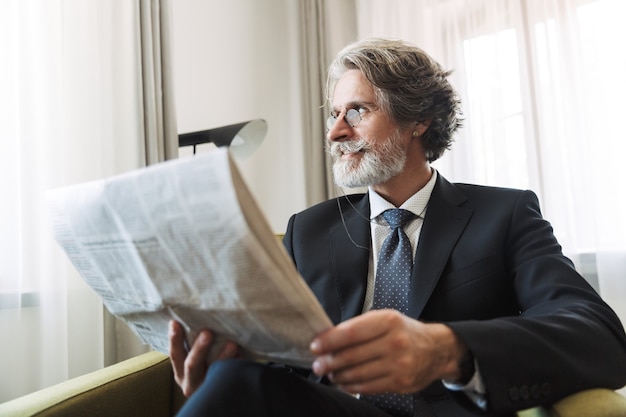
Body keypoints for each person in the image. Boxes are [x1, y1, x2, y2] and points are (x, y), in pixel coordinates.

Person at [168, 38, 626, 417]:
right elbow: (284, 368)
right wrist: (215, 375)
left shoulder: (503, 214)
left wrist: (449, 350)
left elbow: (599, 336)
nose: (335, 133)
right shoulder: (307, 230)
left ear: (418, 120)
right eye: (334, 113)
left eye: (358, 111)